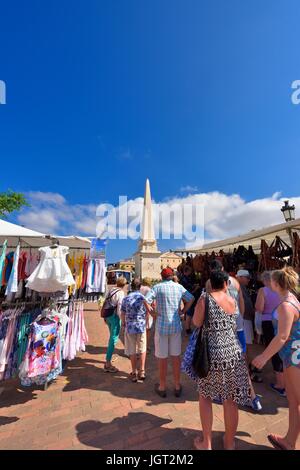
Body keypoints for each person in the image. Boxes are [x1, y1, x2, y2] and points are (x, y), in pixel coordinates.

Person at [193, 270, 252, 450]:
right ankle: (229, 443)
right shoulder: (232, 300)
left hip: (212, 355)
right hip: (233, 353)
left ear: (211, 283)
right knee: (230, 400)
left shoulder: (205, 299)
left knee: (205, 397)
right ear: (226, 283)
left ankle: (207, 443)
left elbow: (196, 322)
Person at [252, 267, 300, 450]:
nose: (269, 281)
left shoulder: (286, 305)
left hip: (293, 357)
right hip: (292, 356)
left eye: (271, 279)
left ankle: (290, 442)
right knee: (293, 401)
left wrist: (264, 357)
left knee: (297, 401)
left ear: (277, 284)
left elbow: (282, 336)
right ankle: (289, 441)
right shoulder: (290, 299)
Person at [145, 267, 194, 398]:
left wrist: (152, 312)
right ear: (172, 276)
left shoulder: (157, 287)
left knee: (162, 358)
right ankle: (177, 385)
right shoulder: (178, 287)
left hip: (161, 327)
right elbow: (191, 298)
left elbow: (145, 299)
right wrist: (183, 311)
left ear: (161, 277)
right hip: (176, 326)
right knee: (176, 357)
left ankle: (162, 386)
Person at [236, 270, 262, 411]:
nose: (248, 280)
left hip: (245, 321)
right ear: (240, 277)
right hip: (243, 321)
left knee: (246, 347)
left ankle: (247, 372)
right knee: (244, 348)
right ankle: (247, 373)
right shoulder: (237, 287)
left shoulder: (242, 287)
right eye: (246, 278)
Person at [255, 271, 284, 395]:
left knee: (274, 351)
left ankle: (280, 384)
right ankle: (286, 381)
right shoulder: (282, 289)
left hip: (268, 322)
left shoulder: (263, 290)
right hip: (283, 320)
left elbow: (259, 308)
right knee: (283, 350)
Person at [121, 278, 150, 382]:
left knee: (132, 350)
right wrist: (146, 321)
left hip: (130, 326)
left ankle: (134, 372)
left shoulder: (126, 298)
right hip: (141, 325)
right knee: (142, 348)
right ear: (140, 286)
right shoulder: (142, 297)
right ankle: (142, 371)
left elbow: (122, 313)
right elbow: (148, 311)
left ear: (131, 286)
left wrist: (123, 323)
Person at [103, 277, 127, 373]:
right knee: (114, 338)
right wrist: (123, 320)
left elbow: (105, 302)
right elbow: (120, 307)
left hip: (108, 315)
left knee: (111, 337)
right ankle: (108, 363)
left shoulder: (111, 289)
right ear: (124, 285)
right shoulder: (121, 293)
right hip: (114, 317)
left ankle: (109, 357)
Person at [180, 265, 197, 335]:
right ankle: (187, 329)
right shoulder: (185, 279)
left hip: (186, 297)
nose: (191, 272)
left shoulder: (184, 278)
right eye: (189, 271)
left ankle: (188, 327)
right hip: (188, 297)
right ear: (186, 271)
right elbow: (190, 288)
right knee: (189, 314)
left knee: (188, 314)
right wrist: (196, 288)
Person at [140, 277, 153, 353]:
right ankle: (145, 347)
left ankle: (140, 347)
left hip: (139, 311)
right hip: (147, 310)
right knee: (147, 330)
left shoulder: (140, 288)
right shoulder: (149, 290)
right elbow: (150, 302)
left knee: (141, 330)